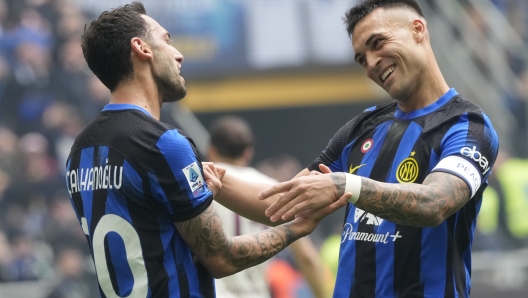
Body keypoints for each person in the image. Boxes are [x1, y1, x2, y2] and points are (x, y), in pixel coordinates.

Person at [212, 0, 500, 297]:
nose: (372, 63)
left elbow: (435, 203)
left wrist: (345, 185)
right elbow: (279, 206)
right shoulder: (362, 127)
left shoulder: (467, 125)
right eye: (362, 58)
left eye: (378, 43)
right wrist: (207, 179)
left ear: (418, 30)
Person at [65, 2, 348, 298]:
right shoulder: (162, 144)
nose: (179, 54)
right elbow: (221, 258)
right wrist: (297, 230)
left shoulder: (80, 151)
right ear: (142, 48)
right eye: (166, 40)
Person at [207, 115, 328, 298]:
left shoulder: (202, 184)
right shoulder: (270, 187)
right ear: (248, 153)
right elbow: (306, 256)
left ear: (211, 150)